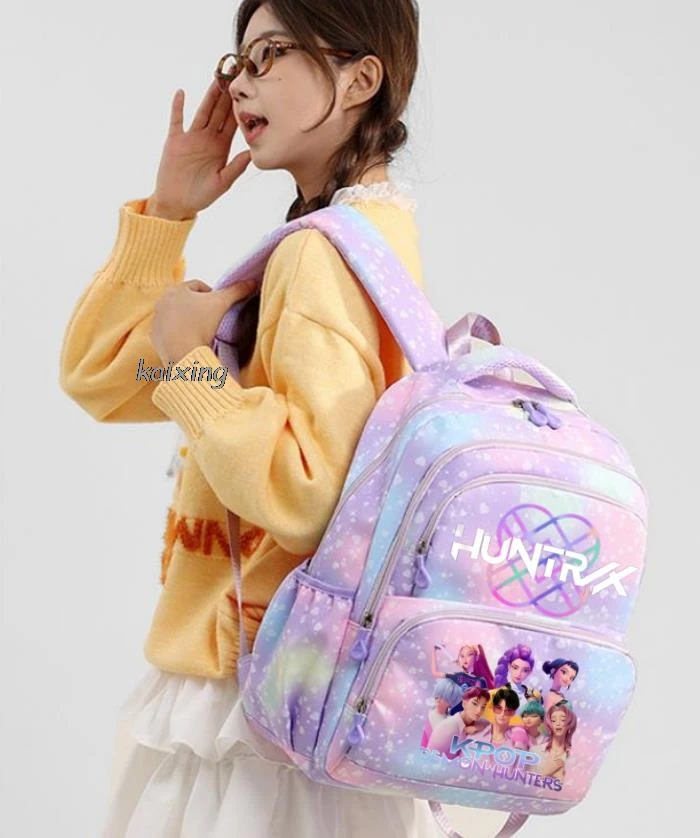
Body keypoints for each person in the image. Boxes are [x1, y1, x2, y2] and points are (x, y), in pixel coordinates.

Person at [59, 1, 437, 836]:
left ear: (360, 78)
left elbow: (308, 491)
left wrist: (192, 367)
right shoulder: (355, 239)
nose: (239, 84)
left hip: (250, 710)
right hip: (298, 695)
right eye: (238, 61)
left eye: (271, 55)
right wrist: (167, 214)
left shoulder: (319, 256)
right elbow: (102, 379)